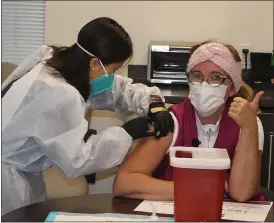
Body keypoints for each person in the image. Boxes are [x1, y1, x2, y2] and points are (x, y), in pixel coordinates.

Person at [1, 17, 174, 215]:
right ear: (94, 63)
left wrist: (154, 104)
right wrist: (126, 133)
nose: (113, 75)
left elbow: (118, 90)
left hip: (20, 171)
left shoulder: (60, 63)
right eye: (113, 69)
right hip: (7, 182)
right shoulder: (58, 94)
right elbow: (78, 161)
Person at [113, 41, 265, 202]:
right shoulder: (171, 121)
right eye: (197, 76)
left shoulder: (247, 124)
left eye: (215, 77)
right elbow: (124, 183)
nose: (204, 84)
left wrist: (249, 128)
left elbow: (241, 194)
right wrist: (198, 187)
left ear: (232, 88)